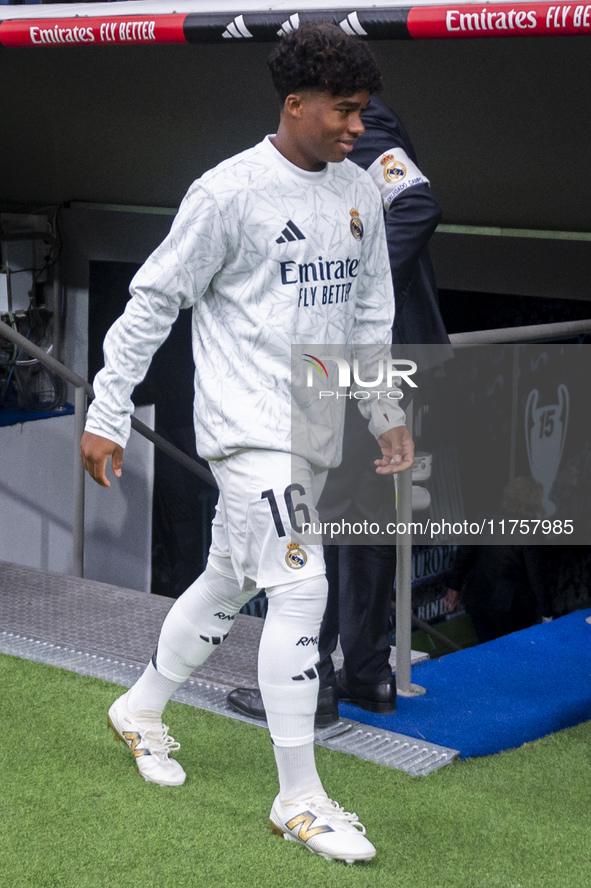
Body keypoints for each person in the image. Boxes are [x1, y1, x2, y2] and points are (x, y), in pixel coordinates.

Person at [80, 23, 413, 865]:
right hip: (247, 430)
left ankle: (141, 707)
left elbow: (370, 313)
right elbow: (153, 299)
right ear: (294, 104)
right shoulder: (227, 193)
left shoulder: (360, 191)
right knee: (300, 589)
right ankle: (299, 797)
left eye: (362, 110)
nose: (355, 127)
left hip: (312, 428)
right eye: (343, 110)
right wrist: (107, 410)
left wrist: (383, 411)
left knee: (232, 581)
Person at [228, 93, 449, 726]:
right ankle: (368, 675)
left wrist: (349, 300)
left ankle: (315, 683)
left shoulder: (363, 122)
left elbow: (415, 205)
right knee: (362, 517)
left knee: (320, 510)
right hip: (379, 360)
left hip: (363, 357)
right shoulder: (351, 123)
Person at [444, 477, 553, 642]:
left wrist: (454, 587)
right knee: (512, 654)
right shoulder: (532, 531)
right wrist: (546, 612)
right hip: (511, 608)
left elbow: (464, 555)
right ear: (533, 500)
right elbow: (537, 576)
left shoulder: (484, 518)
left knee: (487, 649)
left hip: (478, 599)